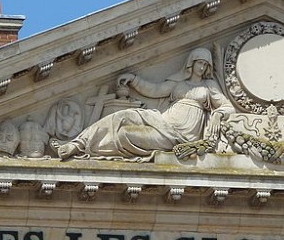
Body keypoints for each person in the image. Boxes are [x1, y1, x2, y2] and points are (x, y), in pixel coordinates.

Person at [58, 47, 233, 160]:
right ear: (191, 64)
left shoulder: (209, 86)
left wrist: (218, 114)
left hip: (179, 137)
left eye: (205, 64)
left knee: (123, 135)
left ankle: (89, 148)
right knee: (124, 115)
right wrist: (134, 80)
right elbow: (154, 91)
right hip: (163, 121)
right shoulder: (178, 82)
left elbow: (228, 106)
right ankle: (78, 143)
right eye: (199, 63)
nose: (201, 68)